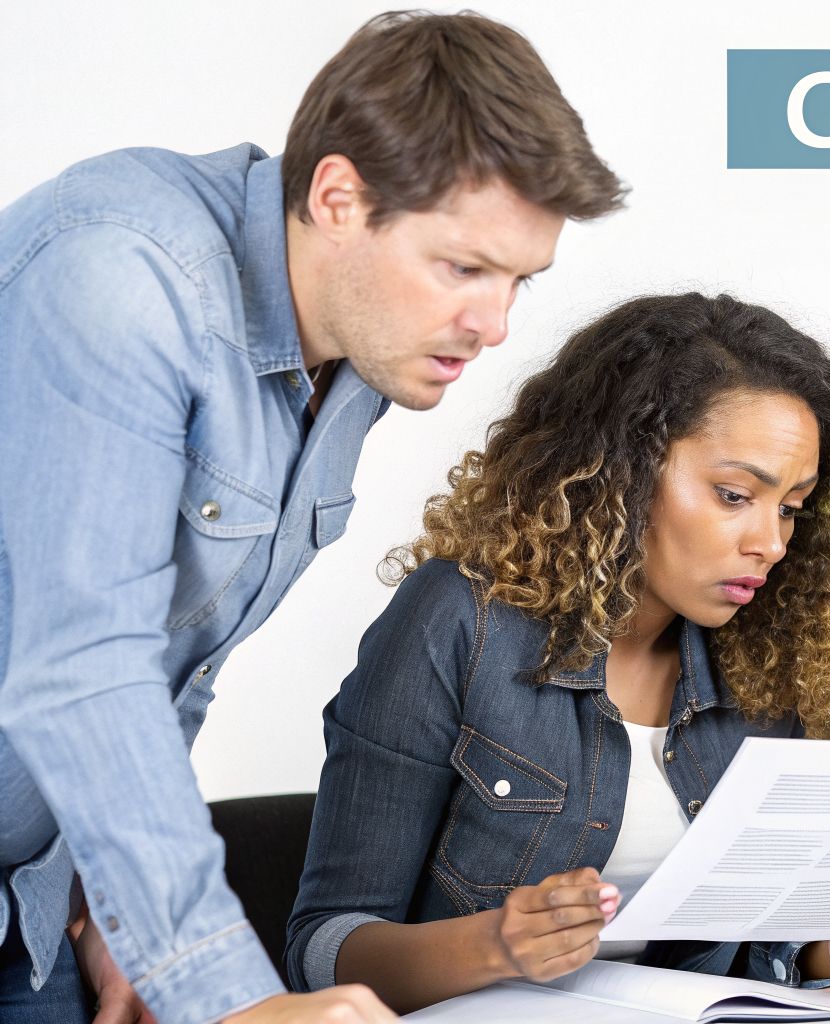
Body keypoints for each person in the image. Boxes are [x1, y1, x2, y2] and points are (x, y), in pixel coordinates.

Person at [0, 12, 622, 1022]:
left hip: (30, 899)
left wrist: (115, 902)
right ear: (338, 197)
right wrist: (222, 987)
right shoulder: (119, 280)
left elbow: (174, 661)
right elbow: (84, 664)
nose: (495, 324)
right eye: (464, 268)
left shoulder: (354, 349)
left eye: (519, 280)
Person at [285, 293, 830, 1013]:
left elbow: (751, 943)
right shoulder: (458, 620)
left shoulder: (766, 654)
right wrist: (495, 946)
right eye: (733, 495)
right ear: (621, 470)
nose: (772, 542)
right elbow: (322, 949)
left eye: (789, 506)